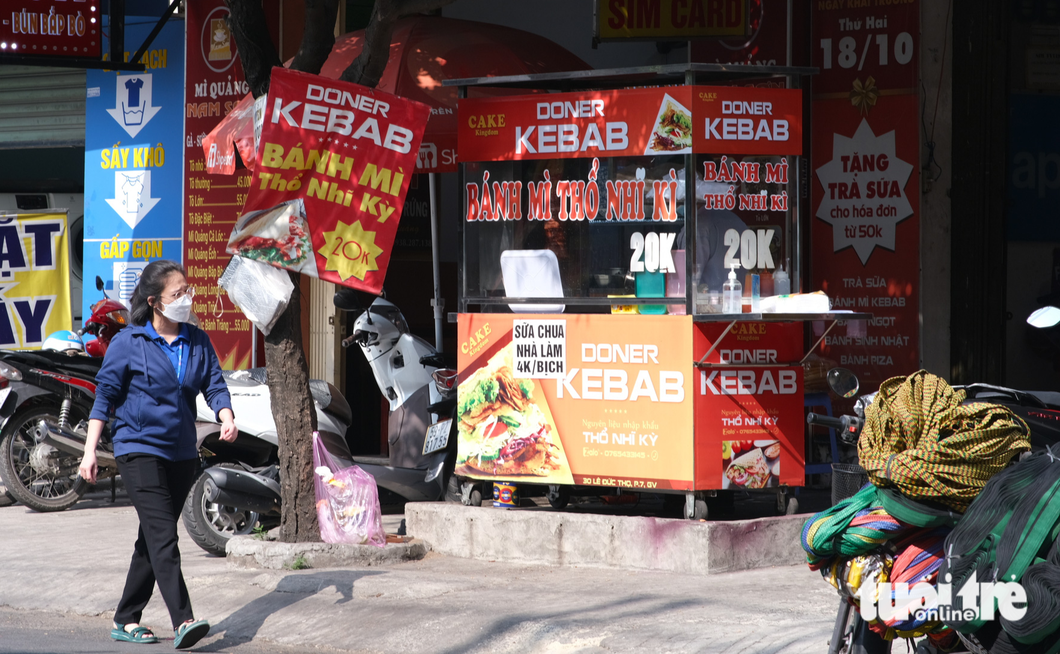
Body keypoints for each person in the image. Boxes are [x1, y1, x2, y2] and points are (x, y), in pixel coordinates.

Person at [79, 260, 236, 649]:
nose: (187, 298)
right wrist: (89, 451)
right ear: (154, 302)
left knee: (151, 538)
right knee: (164, 534)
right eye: (177, 293)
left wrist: (226, 414)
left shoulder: (196, 340)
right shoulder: (129, 343)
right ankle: (184, 619)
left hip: (182, 452)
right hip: (138, 448)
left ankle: (126, 618)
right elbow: (105, 397)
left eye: (188, 290)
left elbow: (214, 384)